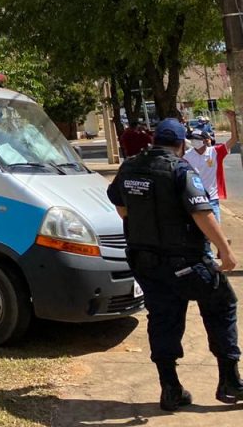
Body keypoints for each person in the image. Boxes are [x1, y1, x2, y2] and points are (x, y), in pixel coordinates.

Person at [107, 117, 243, 411]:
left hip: (145, 262)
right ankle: (230, 382)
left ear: (155, 140)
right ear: (181, 144)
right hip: (185, 261)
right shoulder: (179, 169)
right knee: (222, 304)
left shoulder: (130, 166)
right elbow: (202, 214)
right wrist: (225, 251)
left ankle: (170, 389)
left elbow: (120, 205)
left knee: (163, 318)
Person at [184, 109, 238, 223]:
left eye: (197, 140)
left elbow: (233, 140)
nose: (194, 142)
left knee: (216, 228)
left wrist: (232, 121)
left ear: (205, 140)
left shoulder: (214, 152)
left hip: (212, 199)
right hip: (196, 199)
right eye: (192, 140)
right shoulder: (187, 156)